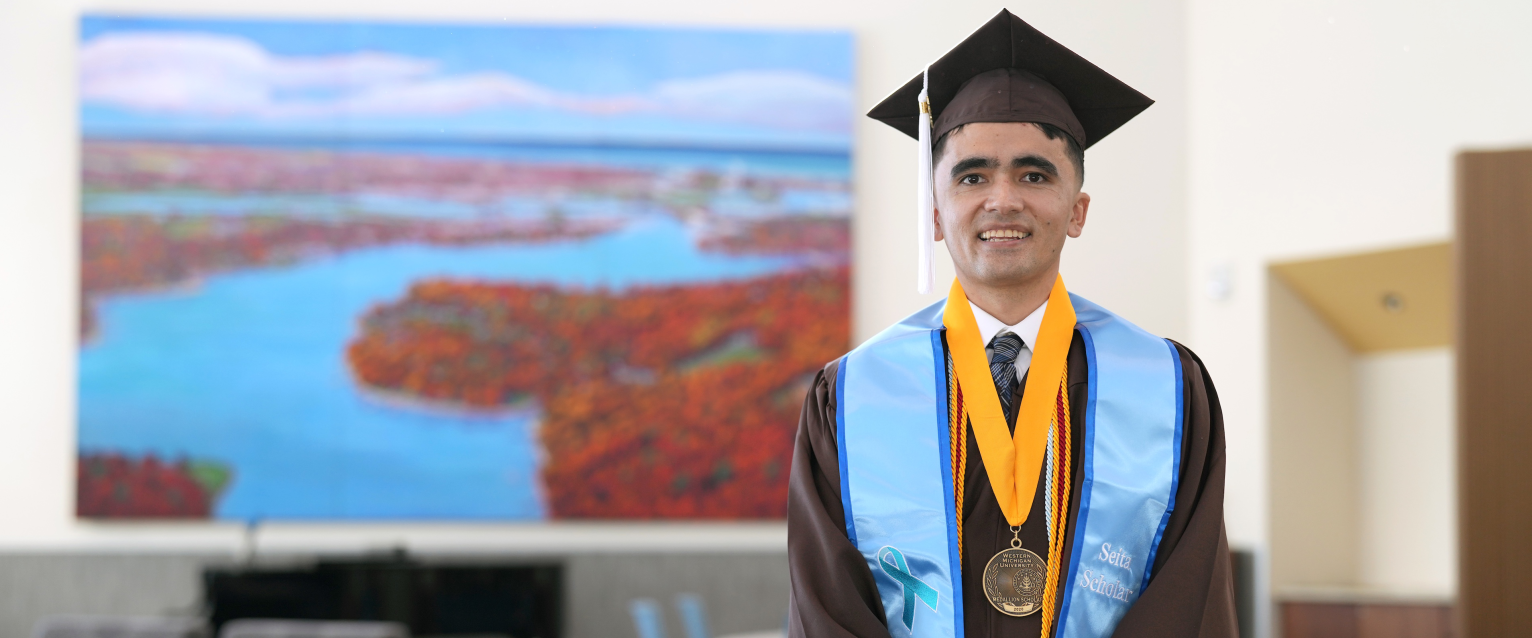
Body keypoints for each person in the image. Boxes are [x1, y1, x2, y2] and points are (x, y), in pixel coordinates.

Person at [786, 10, 1236, 638]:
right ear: (936, 213)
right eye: (972, 176)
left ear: (1076, 211)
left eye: (1034, 173)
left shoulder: (1165, 387)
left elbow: (1187, 603)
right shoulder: (854, 395)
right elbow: (829, 607)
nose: (1002, 199)